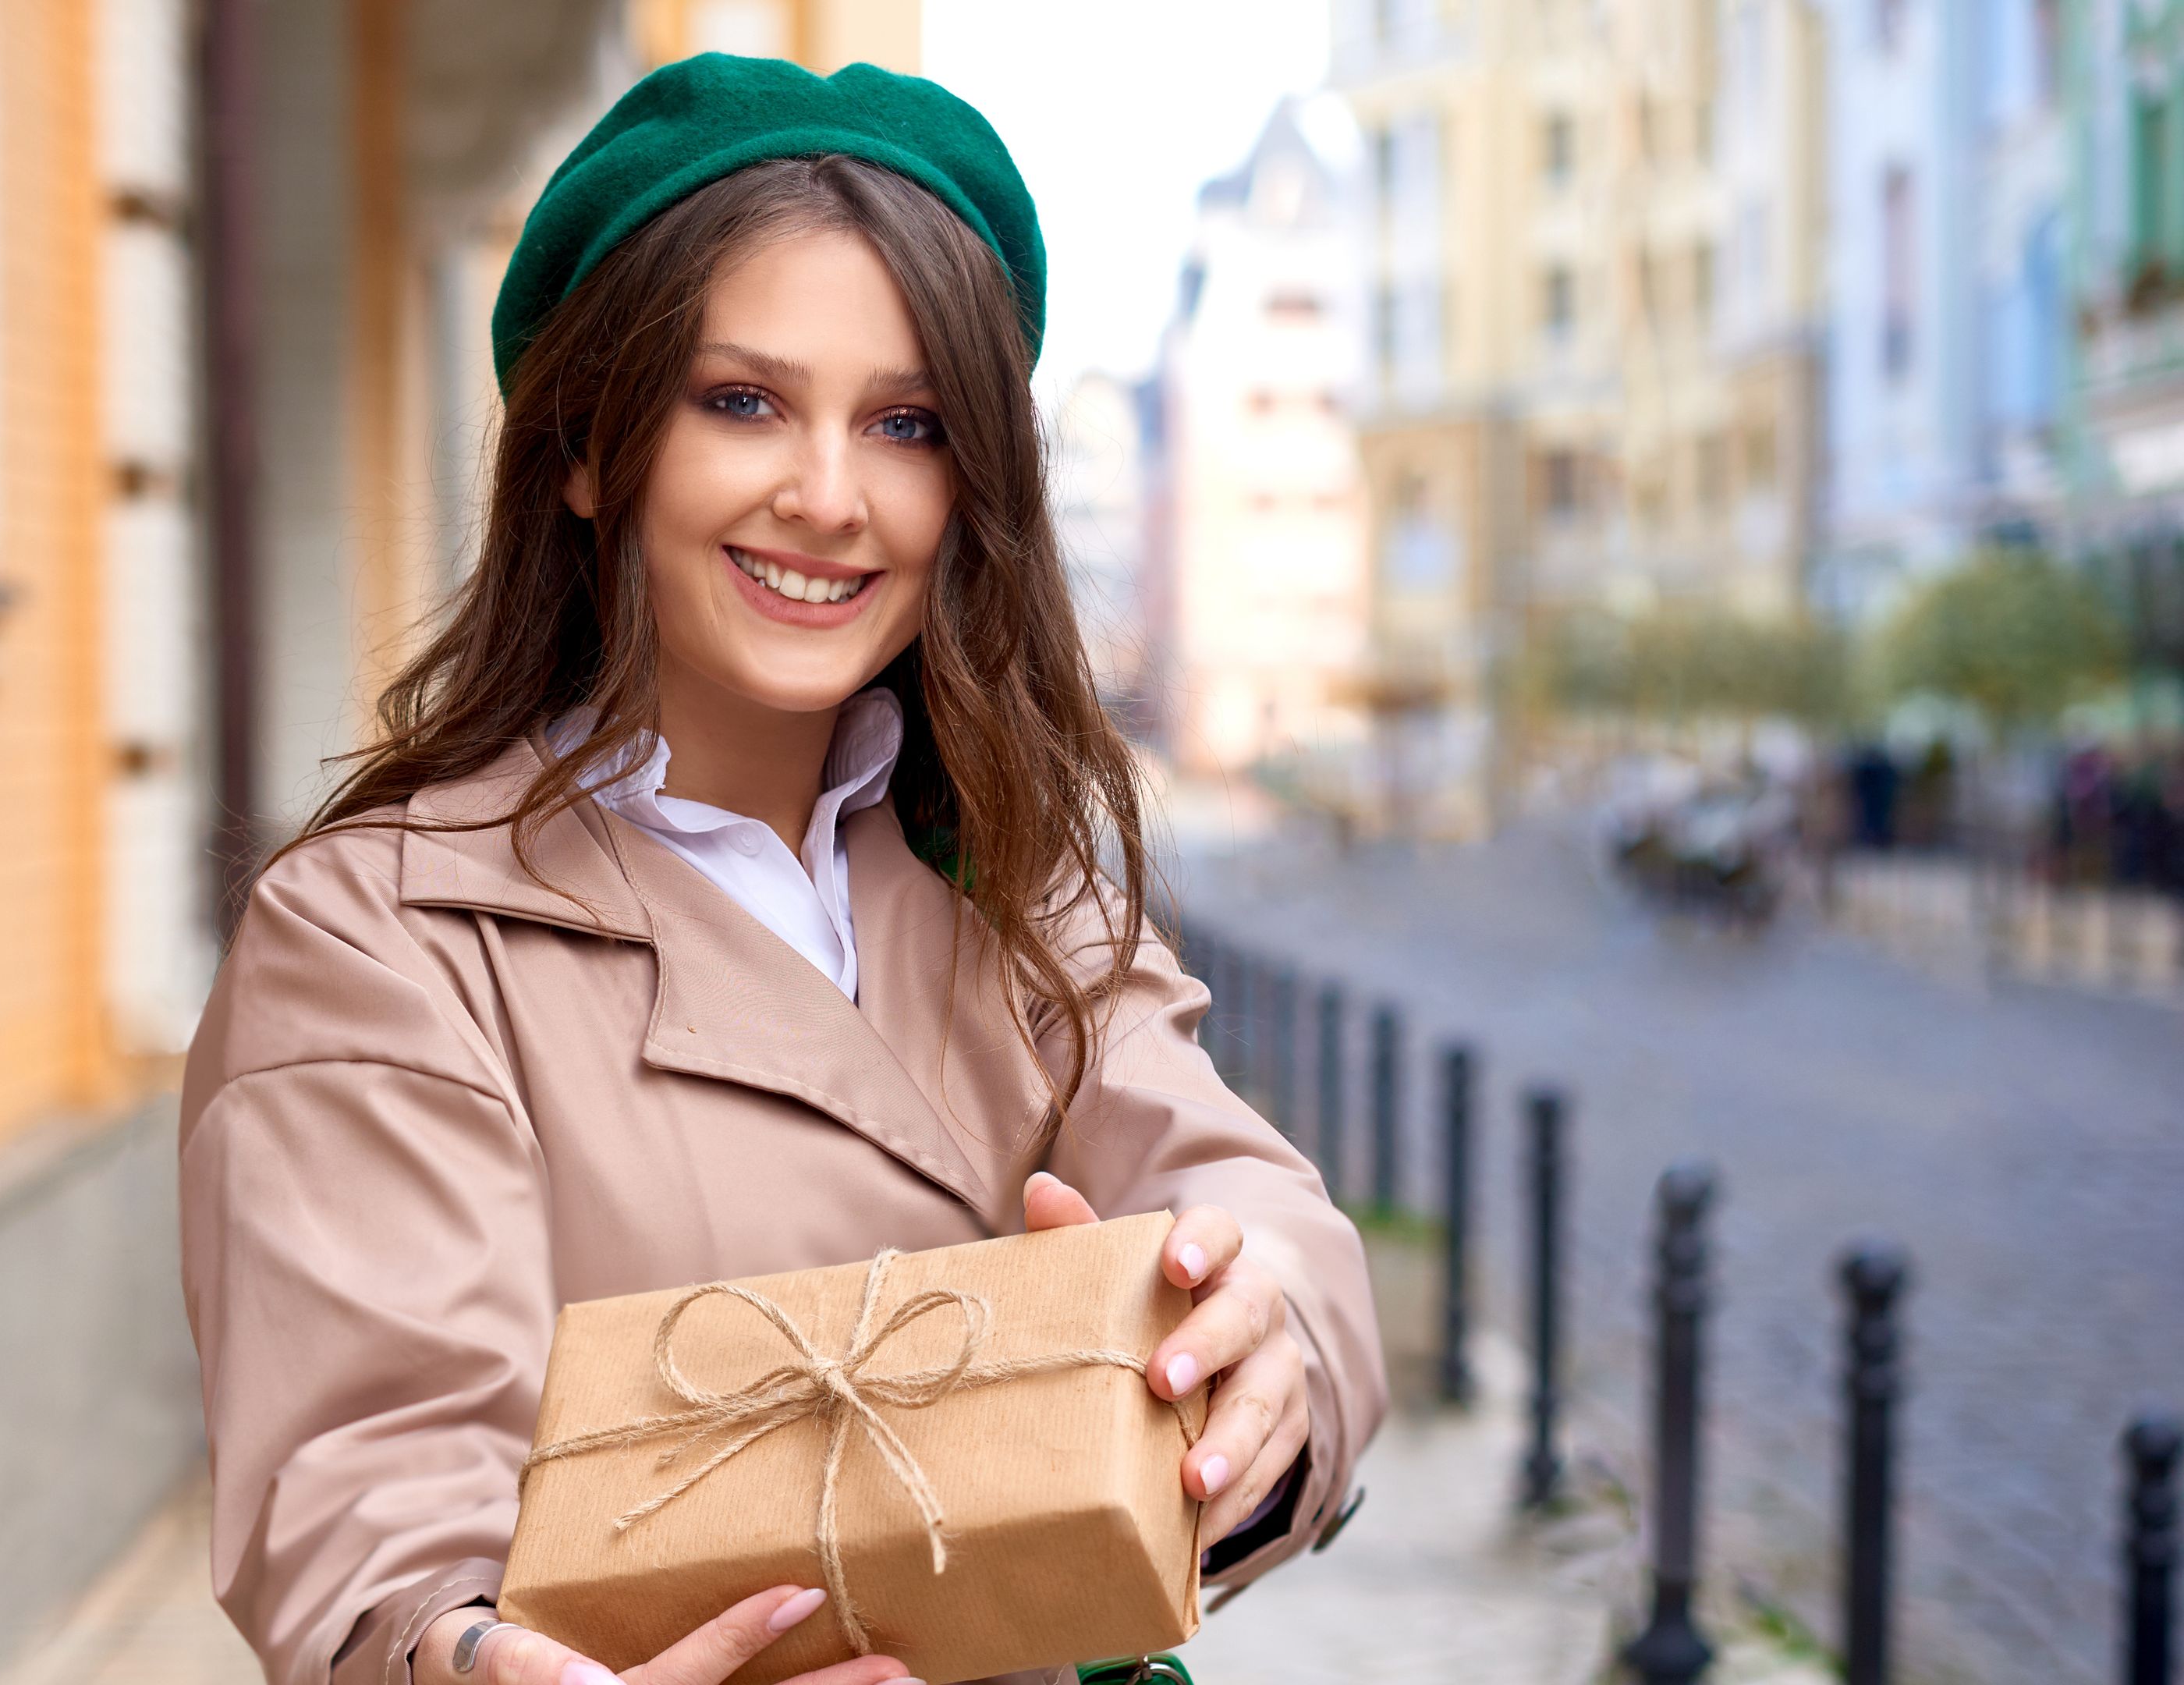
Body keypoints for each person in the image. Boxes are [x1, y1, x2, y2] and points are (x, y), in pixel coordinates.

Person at [176, 54, 1384, 1685]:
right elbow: (372, 1515)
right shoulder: (387, 937)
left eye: (908, 425)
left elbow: (1235, 1188)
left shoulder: (1014, 881)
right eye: (742, 401)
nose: (829, 497)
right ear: (593, 451)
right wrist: (462, 1658)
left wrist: (1276, 1327)